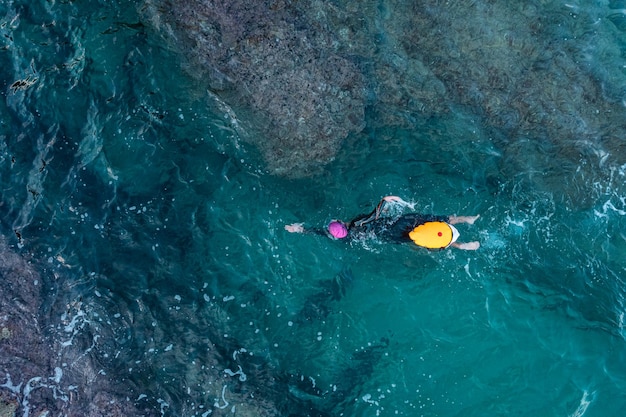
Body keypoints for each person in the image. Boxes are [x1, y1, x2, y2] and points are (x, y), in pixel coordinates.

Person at [285, 195, 480, 250]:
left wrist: (299, 230)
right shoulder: (357, 225)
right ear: (342, 224)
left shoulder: (346, 239)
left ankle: (460, 246)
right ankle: (465, 219)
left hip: (390, 237)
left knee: (421, 240)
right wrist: (384, 201)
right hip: (397, 224)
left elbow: (318, 232)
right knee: (433, 220)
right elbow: (373, 217)